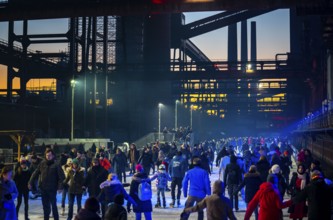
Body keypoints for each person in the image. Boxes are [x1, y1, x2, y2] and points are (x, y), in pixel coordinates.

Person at [28, 149, 65, 220]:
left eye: (50, 155)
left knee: (54, 206)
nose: (48, 157)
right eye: (47, 155)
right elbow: (35, 173)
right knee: (45, 207)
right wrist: (30, 182)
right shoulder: (42, 163)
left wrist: (60, 187)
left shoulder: (56, 164)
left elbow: (61, 176)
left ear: (53, 155)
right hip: (43, 189)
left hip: (52, 189)